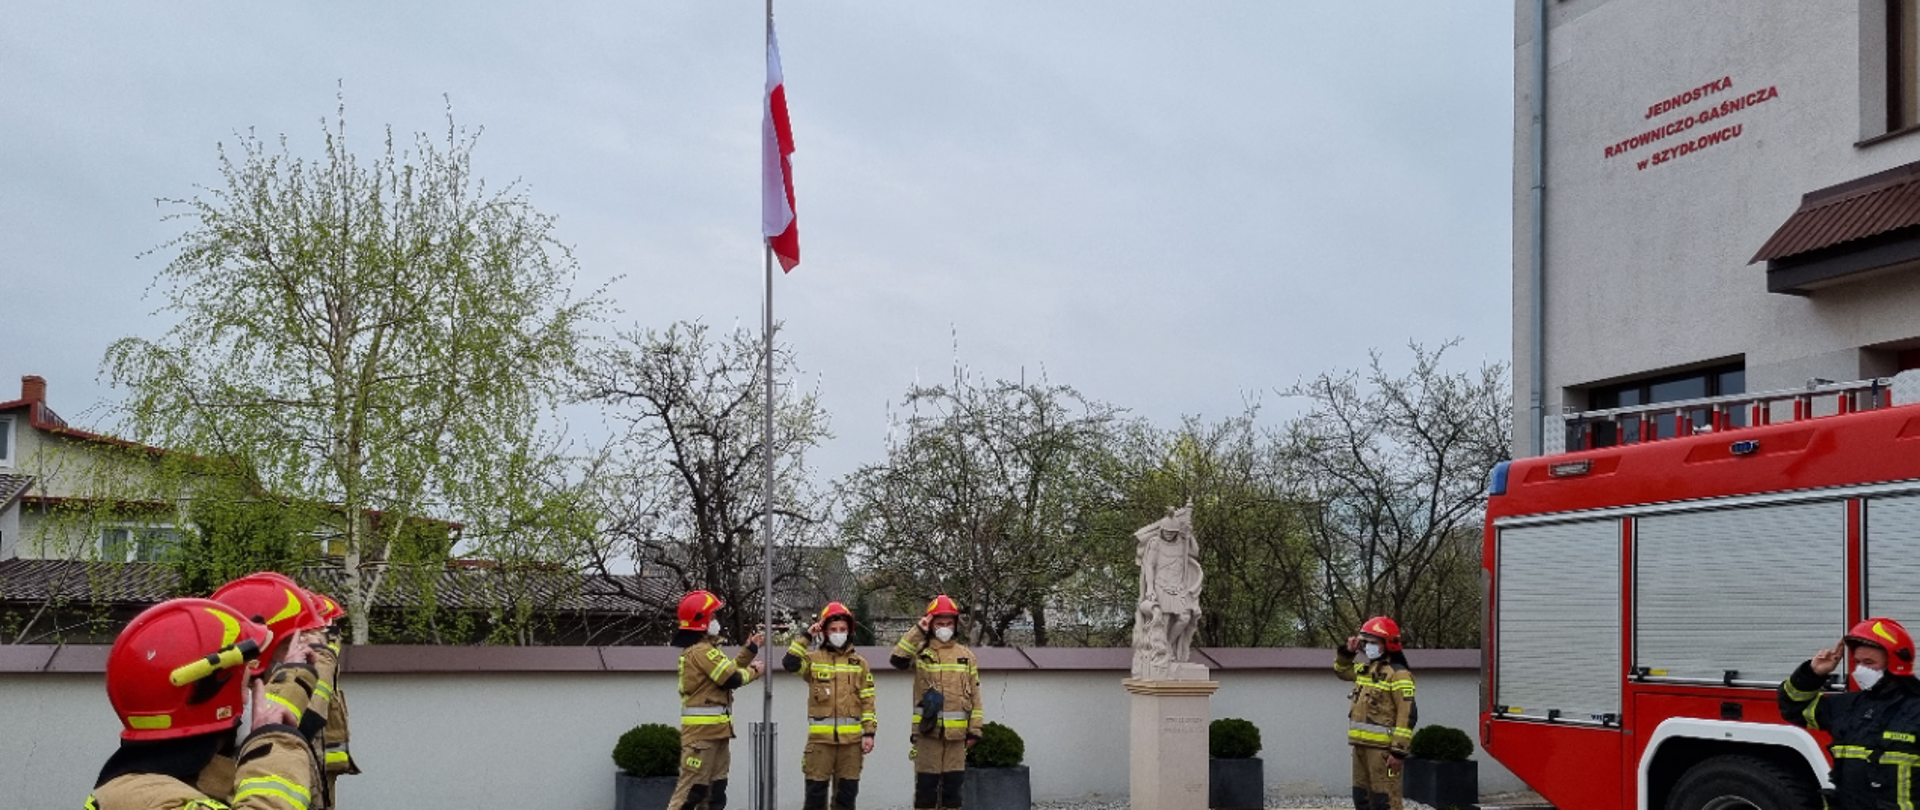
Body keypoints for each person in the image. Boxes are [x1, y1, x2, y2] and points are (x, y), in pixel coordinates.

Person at [84, 597, 325, 810]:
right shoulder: (147, 800)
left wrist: (295, 674)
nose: (251, 695)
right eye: (246, 684)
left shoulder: (163, 776)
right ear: (212, 697)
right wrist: (273, 744)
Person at [1779, 617, 1920, 809]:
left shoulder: (1915, 710)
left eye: (1869, 662)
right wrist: (1813, 673)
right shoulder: (1846, 706)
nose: (1861, 669)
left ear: (1895, 663)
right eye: (1858, 662)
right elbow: (1793, 707)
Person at [670, 590, 765, 810]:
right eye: (712, 617)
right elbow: (730, 678)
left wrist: (749, 651)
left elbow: (725, 671)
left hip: (716, 735)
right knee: (690, 794)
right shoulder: (701, 651)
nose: (716, 621)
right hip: (702, 739)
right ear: (700, 621)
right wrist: (754, 671)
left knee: (714, 795)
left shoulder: (706, 651)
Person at [889, 595, 981, 810]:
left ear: (956, 624)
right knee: (926, 793)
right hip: (928, 733)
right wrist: (918, 630)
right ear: (931, 625)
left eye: (949, 623)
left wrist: (975, 730)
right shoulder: (921, 653)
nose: (945, 628)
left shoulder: (966, 656)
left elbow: (975, 695)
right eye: (939, 623)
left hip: (957, 738)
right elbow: (897, 659)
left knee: (952, 793)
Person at [784, 601, 878, 810]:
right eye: (833, 629)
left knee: (846, 800)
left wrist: (869, 733)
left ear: (849, 631)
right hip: (820, 745)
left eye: (842, 629)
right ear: (825, 632)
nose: (838, 633)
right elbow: (789, 663)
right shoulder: (813, 660)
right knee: (815, 801)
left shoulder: (860, 663)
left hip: (851, 746)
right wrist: (807, 635)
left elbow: (868, 700)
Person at [1334, 615, 1417, 810]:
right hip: (1360, 748)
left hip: (1384, 753)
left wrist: (1398, 752)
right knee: (1362, 799)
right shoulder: (1366, 670)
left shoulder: (1399, 674)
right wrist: (1348, 651)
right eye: (1366, 642)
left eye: (1373, 642)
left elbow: (1407, 715)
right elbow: (1341, 669)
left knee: (1386, 800)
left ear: (1388, 644)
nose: (1368, 646)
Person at [306, 591, 359, 809]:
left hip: (326, 754)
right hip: (314, 753)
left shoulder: (325, 655)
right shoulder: (313, 657)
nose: (334, 629)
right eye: (328, 623)